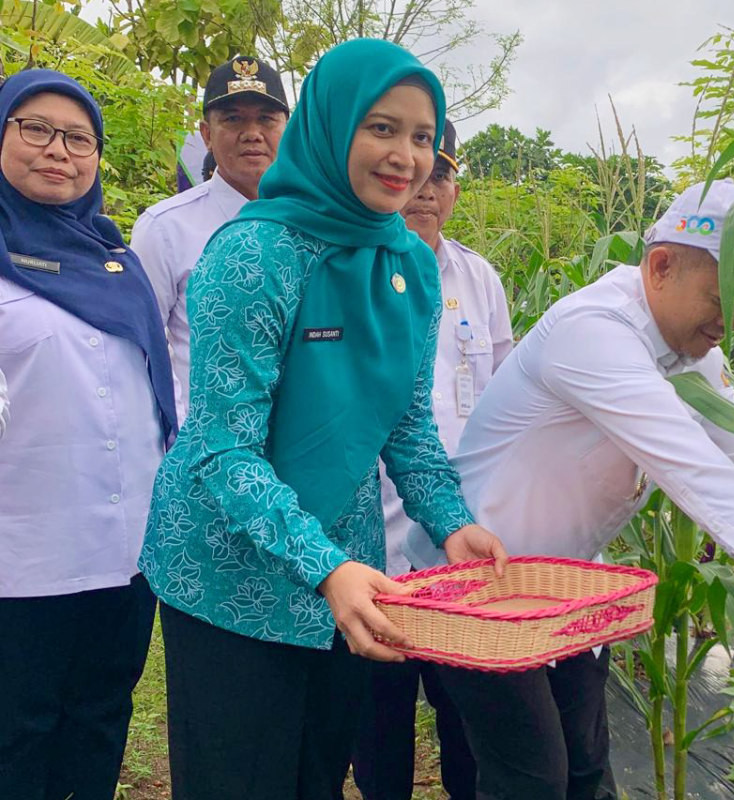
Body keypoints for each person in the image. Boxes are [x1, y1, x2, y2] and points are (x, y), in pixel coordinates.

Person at [407, 179, 734, 800]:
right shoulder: (592, 331)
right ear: (662, 266)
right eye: (726, 294)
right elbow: (696, 469)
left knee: (587, 769)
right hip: (481, 587)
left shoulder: (694, 353)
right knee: (531, 778)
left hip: (563, 585)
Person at [137, 39, 509, 798]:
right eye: (381, 128)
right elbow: (221, 450)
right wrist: (326, 566)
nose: (404, 155)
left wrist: (451, 522)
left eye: (421, 136)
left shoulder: (407, 266)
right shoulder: (251, 256)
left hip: (346, 566)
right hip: (229, 572)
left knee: (316, 774)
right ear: (331, 127)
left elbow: (405, 426)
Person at [0, 69, 176, 800]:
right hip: (21, 559)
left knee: (103, 721)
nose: (58, 151)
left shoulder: (120, 264)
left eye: (78, 138)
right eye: (34, 129)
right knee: (20, 733)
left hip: (123, 552)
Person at [351, 120, 513, 800]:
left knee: (468, 730)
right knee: (378, 727)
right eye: (419, 170)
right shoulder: (350, 270)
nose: (427, 187)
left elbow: (503, 400)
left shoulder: (478, 277)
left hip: (456, 548)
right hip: (375, 549)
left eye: (442, 173)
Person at [131, 55, 289, 421]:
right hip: (211, 453)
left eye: (266, 119)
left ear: (288, 128)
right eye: (233, 119)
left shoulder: (314, 227)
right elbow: (143, 350)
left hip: (303, 458)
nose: (252, 133)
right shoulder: (165, 228)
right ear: (206, 134)